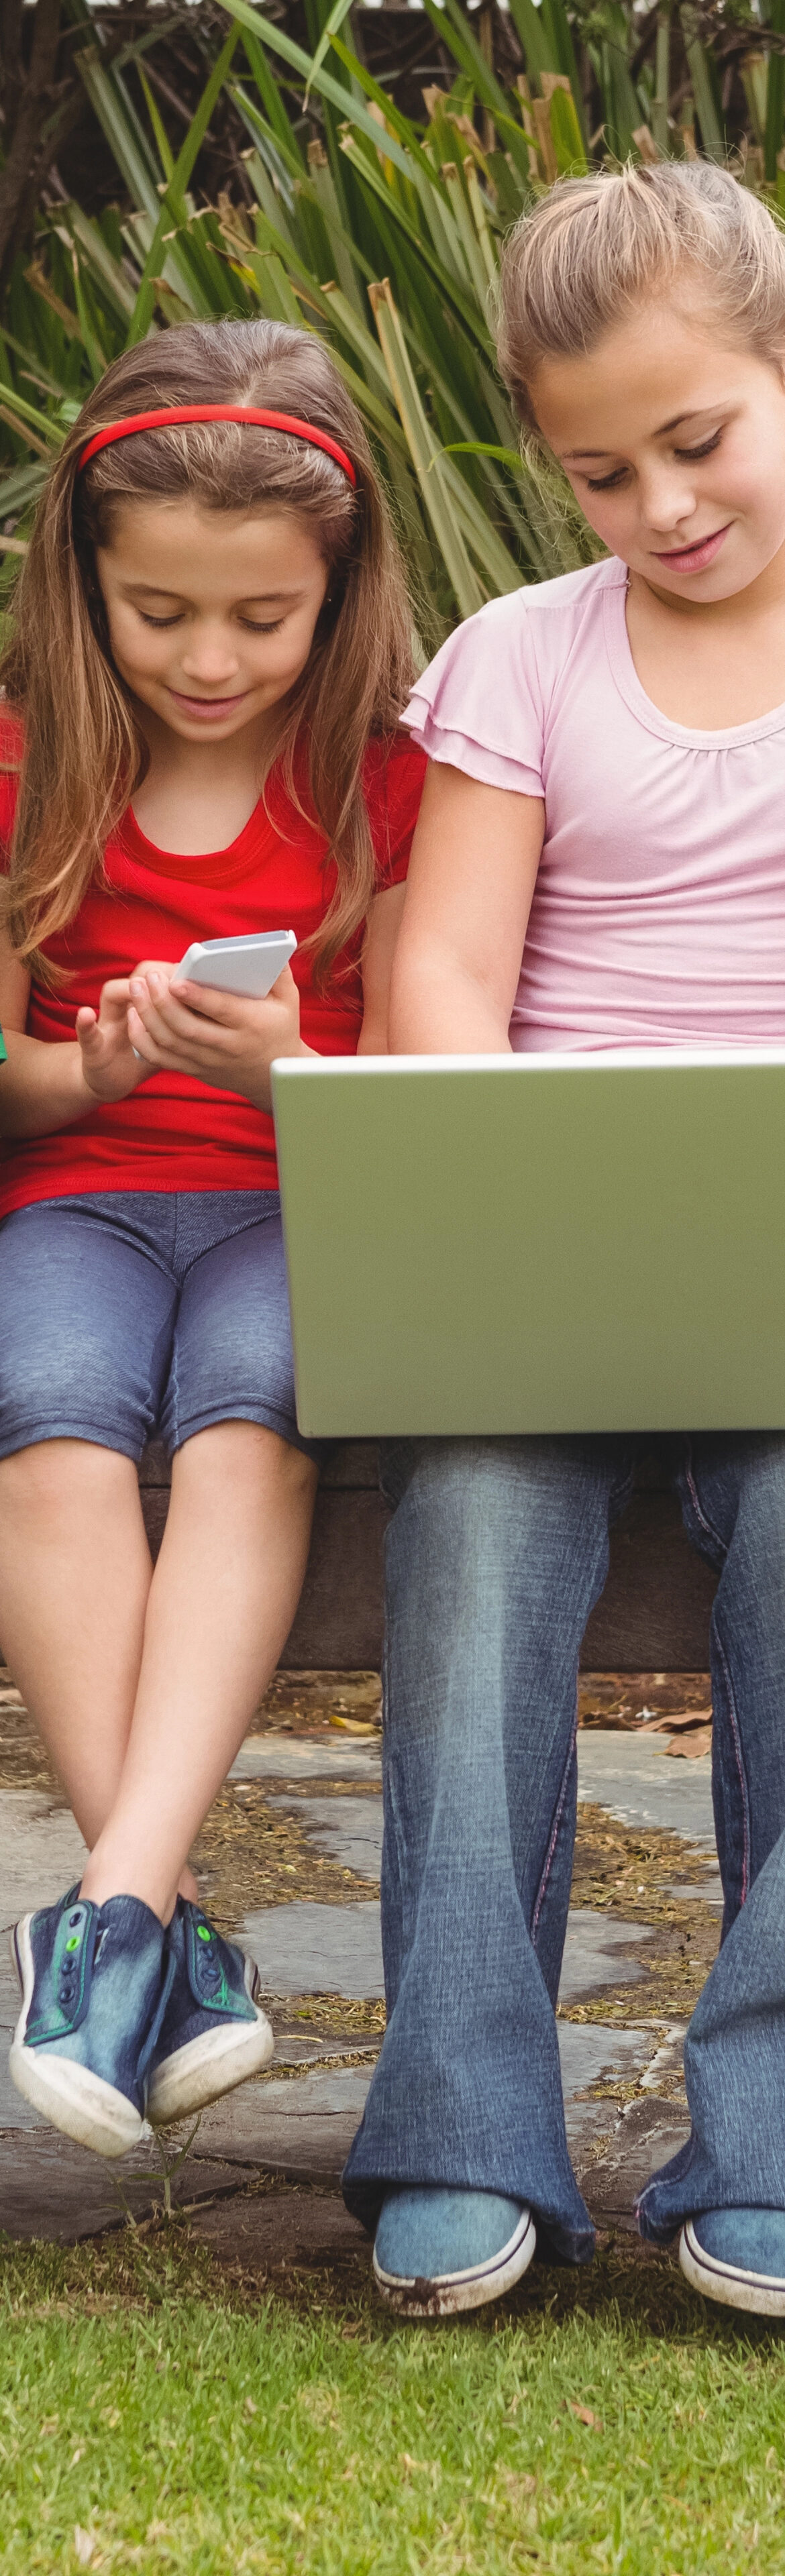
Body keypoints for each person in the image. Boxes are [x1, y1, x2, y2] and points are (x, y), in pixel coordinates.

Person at [342, 160, 785, 2322]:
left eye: (697, 442)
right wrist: (492, 1187)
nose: (660, 509)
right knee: (475, 1526)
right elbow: (445, 985)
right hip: (550, 1261)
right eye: (600, 473)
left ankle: (769, 2142)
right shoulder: (525, 656)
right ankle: (459, 2133)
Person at [0, 319, 424, 2159]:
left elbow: (423, 1083)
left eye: (260, 618)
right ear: (82, 578)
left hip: (294, 1199)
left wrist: (293, 1068)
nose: (206, 658)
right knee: (51, 1418)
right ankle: (162, 1933)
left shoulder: (389, 780)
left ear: (339, 590)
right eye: (157, 611)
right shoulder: (26, 760)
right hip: (72, 1191)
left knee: (252, 1410)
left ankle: (112, 1931)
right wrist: (77, 1067)